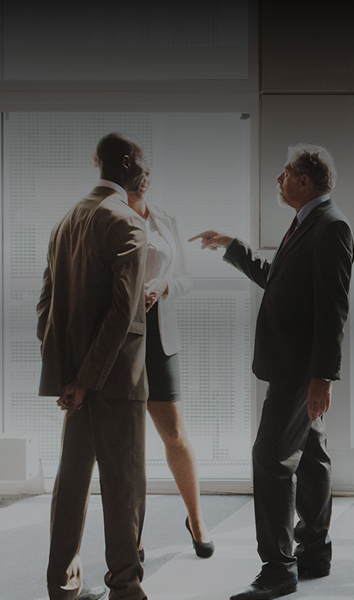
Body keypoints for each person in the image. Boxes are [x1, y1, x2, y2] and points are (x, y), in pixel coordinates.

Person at [191, 144, 354, 600]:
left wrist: (322, 377)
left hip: (300, 372)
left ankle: (279, 569)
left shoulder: (331, 227)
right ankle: (314, 552)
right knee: (310, 455)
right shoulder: (308, 222)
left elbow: (334, 310)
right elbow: (277, 278)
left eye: (285, 174)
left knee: (269, 459)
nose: (278, 181)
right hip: (294, 366)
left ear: (304, 181)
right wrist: (232, 246)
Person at [39, 133, 152, 600]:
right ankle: (125, 588)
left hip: (78, 382)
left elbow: (47, 306)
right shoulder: (126, 221)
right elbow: (123, 313)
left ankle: (62, 585)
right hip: (115, 381)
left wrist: (68, 377)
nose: (146, 172)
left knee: (72, 483)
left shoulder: (67, 220)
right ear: (126, 163)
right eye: (143, 163)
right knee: (123, 485)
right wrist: (87, 380)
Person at [125, 178, 214, 562]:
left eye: (147, 171)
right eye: (135, 171)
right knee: (128, 444)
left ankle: (196, 520)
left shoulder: (165, 219)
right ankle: (132, 533)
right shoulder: (106, 216)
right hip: (120, 342)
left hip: (159, 341)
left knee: (175, 436)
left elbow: (187, 279)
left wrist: (162, 285)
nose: (143, 179)